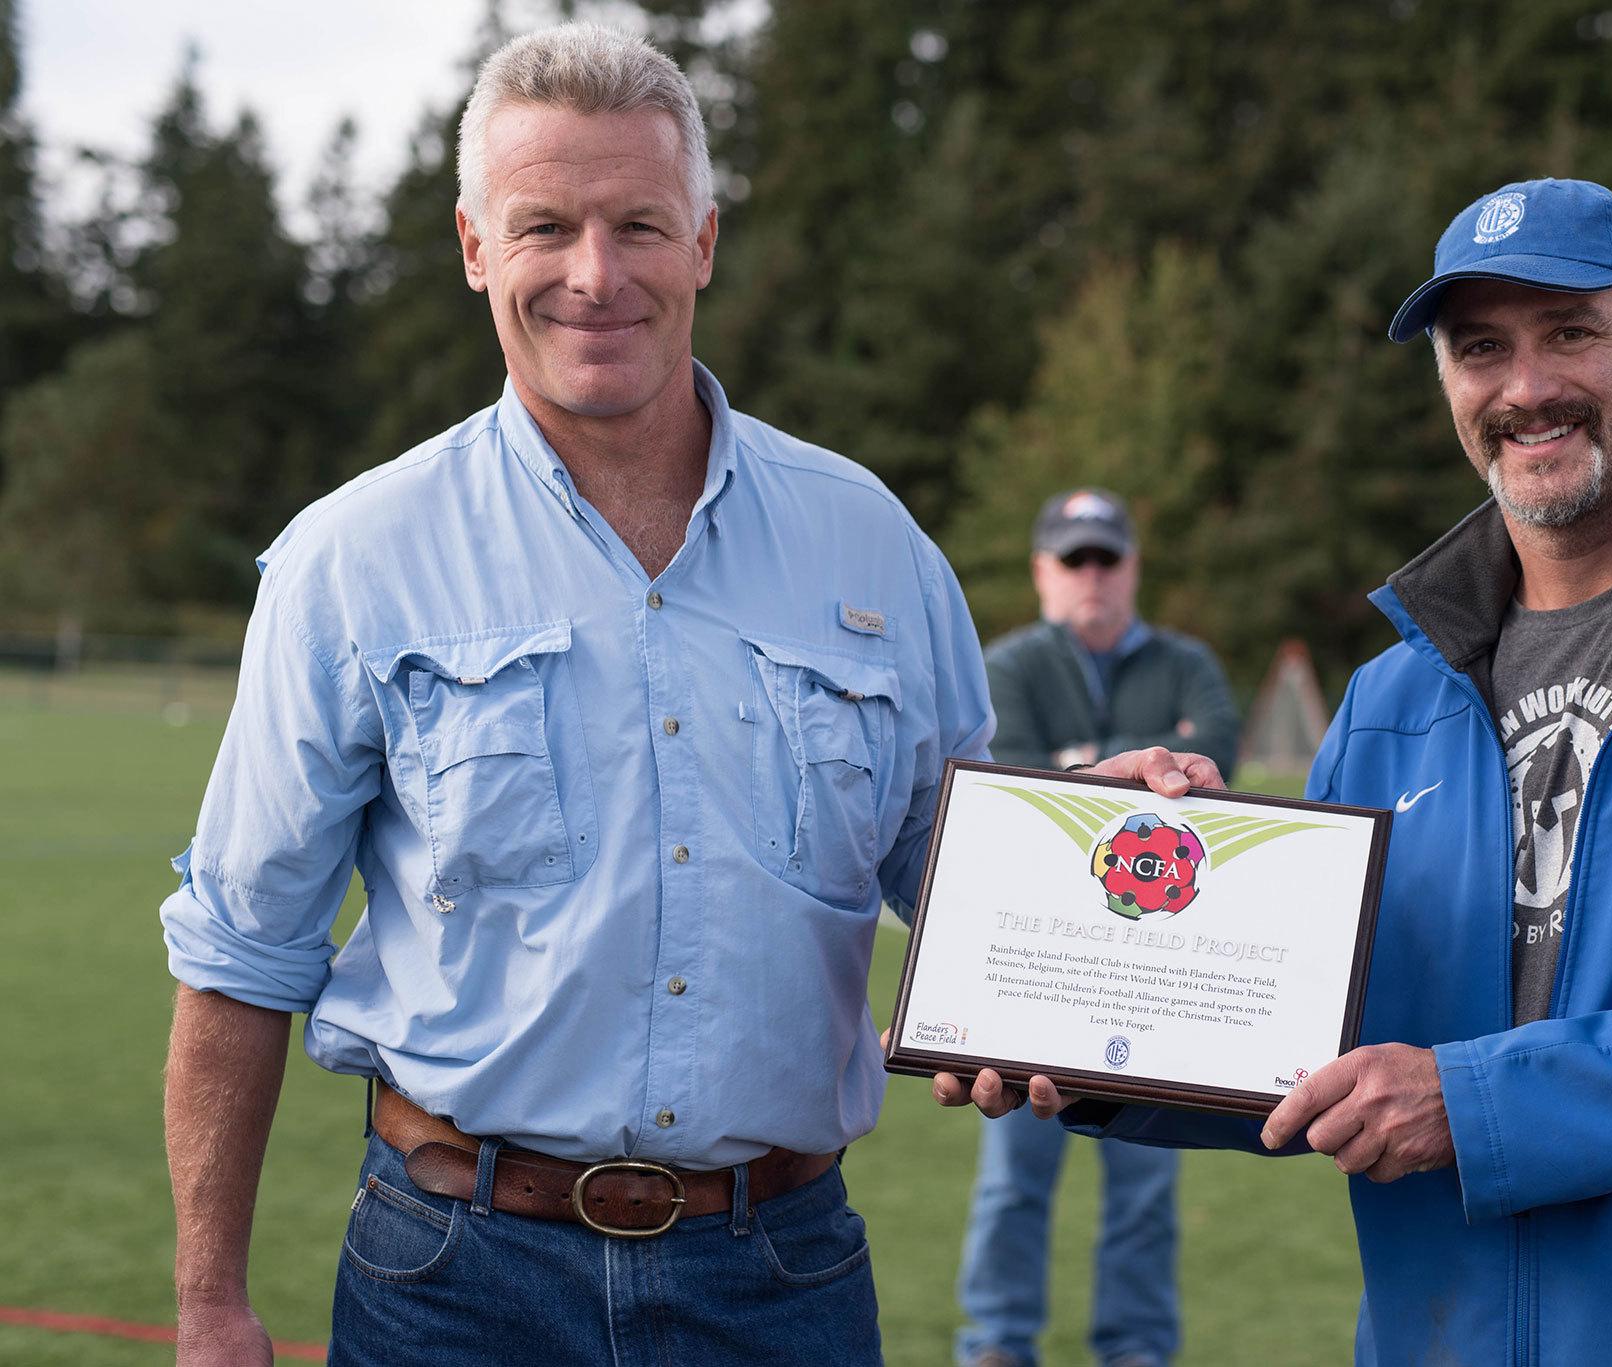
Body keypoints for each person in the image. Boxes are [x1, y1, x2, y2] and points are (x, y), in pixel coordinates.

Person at [152, 24, 1205, 1367]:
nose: (597, 275)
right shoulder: (355, 557)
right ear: (476, 247)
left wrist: (1107, 840)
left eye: (640, 225)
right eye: (547, 227)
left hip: (778, 1275)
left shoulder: (871, 542)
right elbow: (242, 949)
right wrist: (208, 1306)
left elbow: (954, 873)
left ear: (703, 243)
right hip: (453, 1281)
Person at [935, 177, 1612, 1365]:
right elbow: (1316, 1047)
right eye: (1480, 347)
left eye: (1569, 333)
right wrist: (1087, 1035)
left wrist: (1473, 1102)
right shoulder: (1389, 700)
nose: (1524, 386)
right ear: (1445, 382)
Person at [956, 488, 1240, 1367]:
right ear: (1042, 570)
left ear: (1131, 569)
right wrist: (1129, 759)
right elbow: (1014, 795)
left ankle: (1138, 1349)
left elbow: (1213, 776)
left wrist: (1071, 770)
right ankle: (997, 1344)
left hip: (1160, 977)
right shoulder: (1000, 666)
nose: (1091, 576)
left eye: (1104, 558)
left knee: (1147, 1185)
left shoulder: (1190, 662)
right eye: (1072, 559)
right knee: (1012, 1180)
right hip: (1042, 971)